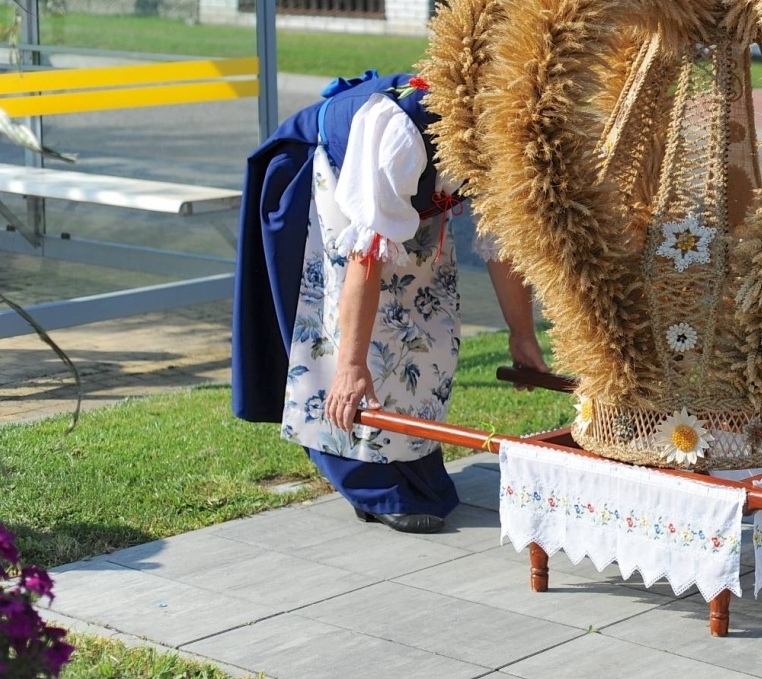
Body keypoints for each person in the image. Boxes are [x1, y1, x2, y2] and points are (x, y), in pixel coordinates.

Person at [232, 70, 546, 533]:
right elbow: (366, 258)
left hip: (410, 193)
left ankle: (410, 456)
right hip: (330, 172)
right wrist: (351, 367)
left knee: (429, 322)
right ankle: (365, 477)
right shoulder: (400, 128)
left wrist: (523, 336)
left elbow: (500, 244)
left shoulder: (505, 130)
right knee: (356, 334)